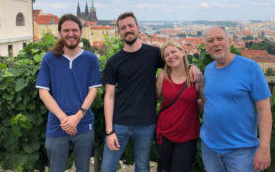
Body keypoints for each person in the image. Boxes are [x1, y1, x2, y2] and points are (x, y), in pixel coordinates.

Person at [101, 12, 201, 172]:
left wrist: (193, 66)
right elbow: (109, 96)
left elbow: (176, 62)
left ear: (138, 27)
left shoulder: (154, 54)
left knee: (142, 166)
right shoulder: (114, 61)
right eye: (123, 28)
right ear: (119, 32)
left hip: (146, 123)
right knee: (107, 167)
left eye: (130, 26)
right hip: (119, 123)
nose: (127, 30)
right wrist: (109, 131)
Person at [200, 27, 272, 172]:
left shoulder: (250, 68)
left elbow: (264, 109)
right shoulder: (208, 69)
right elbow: (210, 101)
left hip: (242, 151)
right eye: (211, 41)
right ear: (206, 47)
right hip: (210, 147)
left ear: (230, 41)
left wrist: (264, 147)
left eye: (220, 39)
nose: (216, 43)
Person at [36, 14, 102, 172]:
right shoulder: (49, 59)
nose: (71, 33)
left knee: (83, 169)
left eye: (74, 30)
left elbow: (93, 90)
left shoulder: (91, 59)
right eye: (66, 30)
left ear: (80, 31)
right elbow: (43, 92)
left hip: (84, 124)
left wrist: (78, 117)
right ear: (60, 33)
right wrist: (65, 119)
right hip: (57, 125)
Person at [155, 41, 203, 172]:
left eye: (173, 52)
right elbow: (154, 99)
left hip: (187, 135)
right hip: (164, 134)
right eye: (167, 55)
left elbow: (205, 102)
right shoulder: (162, 77)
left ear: (182, 52)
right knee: (167, 168)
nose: (171, 56)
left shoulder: (196, 77)